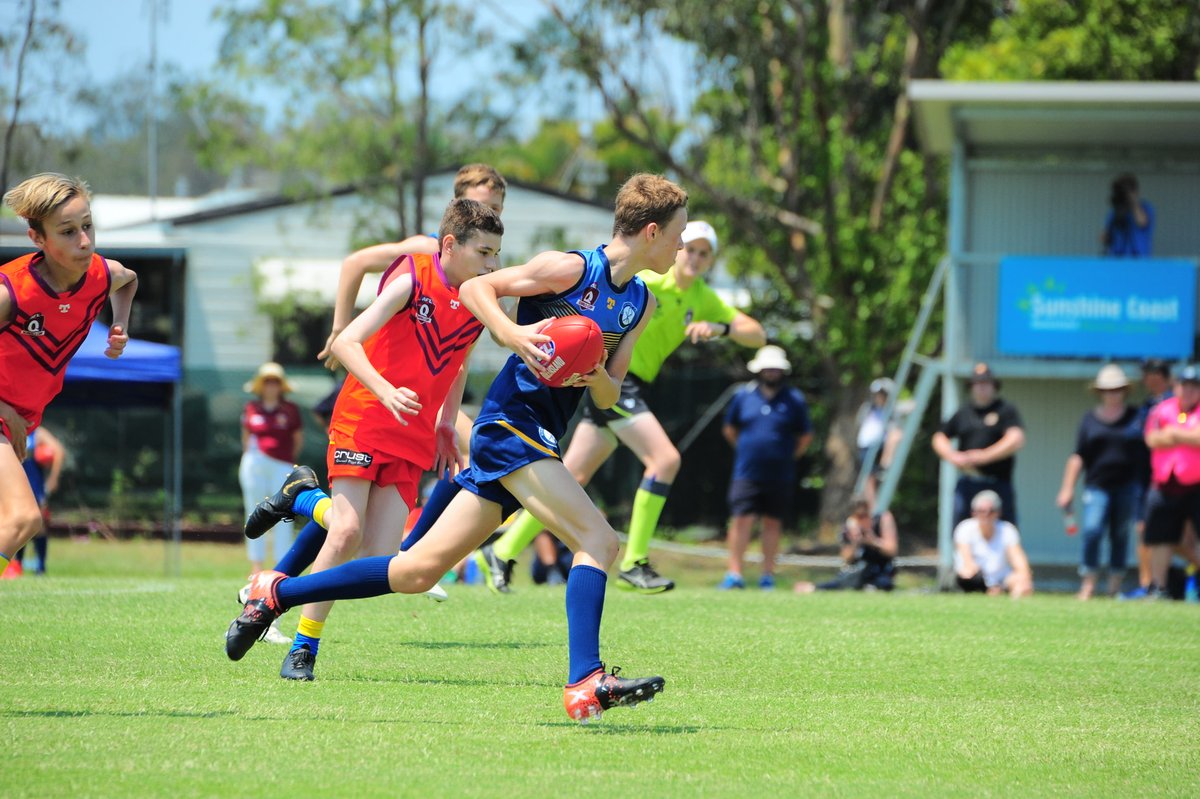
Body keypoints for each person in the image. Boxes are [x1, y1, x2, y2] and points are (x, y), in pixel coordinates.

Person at [226, 173, 686, 722]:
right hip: (511, 425)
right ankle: (585, 682)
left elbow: (610, 391)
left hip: (539, 434)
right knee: (600, 541)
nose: (680, 248)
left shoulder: (640, 302)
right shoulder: (569, 269)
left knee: (415, 570)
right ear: (652, 231)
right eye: (678, 236)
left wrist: (588, 371)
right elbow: (476, 290)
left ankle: (274, 592)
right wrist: (514, 337)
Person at [241, 198, 503, 680]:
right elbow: (345, 342)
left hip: (414, 432)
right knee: (344, 532)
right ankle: (304, 648)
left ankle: (303, 498)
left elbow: (458, 364)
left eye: (497, 256)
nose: (492, 265)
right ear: (450, 245)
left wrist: (447, 422)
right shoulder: (413, 277)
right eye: (484, 253)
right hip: (365, 414)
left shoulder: (474, 301)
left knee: (382, 556)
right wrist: (383, 389)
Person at [476, 220, 765, 594]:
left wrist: (721, 328)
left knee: (575, 474)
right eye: (688, 247)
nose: (692, 256)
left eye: (702, 253)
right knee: (665, 460)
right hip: (613, 380)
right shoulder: (648, 286)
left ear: (710, 261)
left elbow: (757, 335)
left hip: (618, 384)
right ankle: (634, 562)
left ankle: (502, 550)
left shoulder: (701, 298)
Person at [0, 173, 138, 578]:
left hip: (18, 421)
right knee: (24, 519)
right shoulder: (12, 293)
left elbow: (128, 280)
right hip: (5, 418)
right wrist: (5, 410)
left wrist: (121, 325)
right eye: (67, 231)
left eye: (87, 226)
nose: (84, 241)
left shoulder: (100, 275)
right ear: (37, 238)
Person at [718, 345, 813, 590]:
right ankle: (734, 574)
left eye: (776, 368)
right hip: (746, 472)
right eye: (768, 368)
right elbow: (730, 429)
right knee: (741, 521)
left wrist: (787, 456)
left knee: (773, 523)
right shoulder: (743, 396)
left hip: (780, 474)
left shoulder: (794, 399)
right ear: (759, 370)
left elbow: (805, 436)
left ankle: (767, 575)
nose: (772, 372)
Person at [1055, 365, 1143, 600]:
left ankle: (1114, 586)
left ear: (1124, 391)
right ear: (1100, 392)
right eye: (1107, 390)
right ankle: (1088, 583)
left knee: (1120, 535)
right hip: (1097, 486)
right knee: (1093, 530)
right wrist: (1067, 488)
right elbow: (1078, 456)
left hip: (1127, 486)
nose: (1112, 394)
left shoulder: (1136, 417)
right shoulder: (1089, 419)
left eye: (1117, 389)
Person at [931, 362, 1025, 529]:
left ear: (994, 386)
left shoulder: (1005, 410)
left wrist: (983, 456)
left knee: (1005, 531)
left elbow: (1016, 439)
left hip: (998, 482)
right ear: (971, 386)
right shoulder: (963, 412)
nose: (982, 387)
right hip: (969, 482)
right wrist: (954, 456)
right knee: (962, 530)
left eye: (986, 383)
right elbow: (939, 437)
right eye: (978, 383)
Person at [1140, 364, 1200, 599]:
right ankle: (1158, 588)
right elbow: (1151, 439)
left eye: (1194, 386)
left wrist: (1174, 434)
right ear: (1177, 387)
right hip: (1165, 484)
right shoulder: (1162, 409)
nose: (1189, 391)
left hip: (1196, 484)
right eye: (1185, 385)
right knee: (1159, 538)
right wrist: (1187, 436)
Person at [240, 362, 304, 577]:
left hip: (282, 465)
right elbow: (246, 437)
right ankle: (256, 566)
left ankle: (281, 567)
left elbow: (297, 439)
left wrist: (287, 461)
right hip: (255, 463)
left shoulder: (290, 410)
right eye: (267, 381)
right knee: (253, 511)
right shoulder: (251, 408)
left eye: (275, 381)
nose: (271, 386)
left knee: (283, 513)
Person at [1123, 358, 1173, 599]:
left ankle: (1157, 584)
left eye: (1151, 374)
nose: (1147, 379)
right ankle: (1148, 585)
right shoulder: (1148, 404)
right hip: (1144, 478)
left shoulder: (1174, 404)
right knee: (1143, 530)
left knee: (1181, 537)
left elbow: (1154, 438)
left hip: (1170, 479)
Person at [793, 497, 897, 593]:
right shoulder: (850, 528)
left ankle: (815, 587)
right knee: (846, 579)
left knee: (880, 583)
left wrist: (872, 541)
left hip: (880, 571)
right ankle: (815, 587)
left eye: (864, 516)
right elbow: (846, 559)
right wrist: (855, 542)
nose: (862, 520)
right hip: (858, 572)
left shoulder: (881, 519)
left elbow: (891, 550)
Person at [2, 426, 66, 578]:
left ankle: (41, 567)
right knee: (16, 523)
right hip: (12, 486)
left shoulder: (37, 432)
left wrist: (53, 478)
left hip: (35, 486)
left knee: (37, 525)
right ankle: (17, 565)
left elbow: (58, 450)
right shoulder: (5, 429)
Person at [952, 490, 1034, 598]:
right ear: (974, 513)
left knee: (1023, 581)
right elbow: (968, 564)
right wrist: (988, 587)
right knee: (967, 574)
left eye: (990, 511)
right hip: (975, 579)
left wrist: (1023, 579)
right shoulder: (965, 528)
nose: (985, 515)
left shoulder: (1007, 530)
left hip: (1002, 580)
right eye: (981, 511)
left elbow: (1020, 563)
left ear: (998, 513)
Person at [856, 377, 896, 512]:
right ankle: (873, 509)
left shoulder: (892, 410)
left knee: (875, 480)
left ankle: (886, 463)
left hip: (881, 447)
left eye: (882, 394)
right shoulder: (868, 409)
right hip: (867, 447)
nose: (879, 397)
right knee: (869, 479)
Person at [1101, 173, 1154, 257]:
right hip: (1117, 259)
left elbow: (1142, 222)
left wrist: (1133, 202)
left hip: (1138, 259)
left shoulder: (1146, 208)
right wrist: (1105, 237)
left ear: (1135, 192)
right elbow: (1106, 236)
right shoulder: (1114, 211)